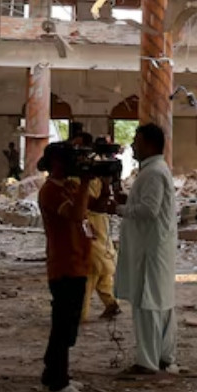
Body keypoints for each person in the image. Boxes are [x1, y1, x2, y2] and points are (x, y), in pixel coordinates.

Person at [110, 123, 177, 374]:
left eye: (136, 142)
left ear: (148, 144)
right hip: (155, 246)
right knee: (161, 302)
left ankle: (147, 362)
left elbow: (149, 210)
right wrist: (128, 200)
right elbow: (148, 203)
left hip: (150, 248)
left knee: (148, 303)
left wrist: (118, 209)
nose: (133, 146)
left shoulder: (153, 172)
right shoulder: (155, 170)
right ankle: (164, 356)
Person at [36, 142, 95, 392]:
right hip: (64, 265)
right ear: (56, 163)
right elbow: (77, 215)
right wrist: (85, 182)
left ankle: (52, 373)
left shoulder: (69, 186)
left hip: (78, 261)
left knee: (68, 324)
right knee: (63, 326)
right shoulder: (50, 191)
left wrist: (104, 182)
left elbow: (95, 206)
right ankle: (59, 382)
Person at [78, 135, 121, 323]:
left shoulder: (91, 173)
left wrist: (107, 185)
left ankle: (81, 314)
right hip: (91, 221)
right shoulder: (79, 176)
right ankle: (110, 303)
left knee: (92, 268)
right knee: (100, 265)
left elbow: (98, 204)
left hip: (95, 222)